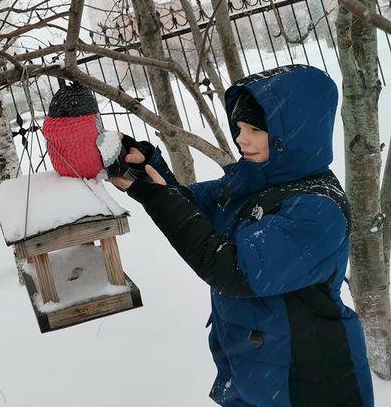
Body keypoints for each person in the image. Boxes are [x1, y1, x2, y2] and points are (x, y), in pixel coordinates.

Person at [109, 64, 374, 406]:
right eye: (238, 127)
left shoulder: (317, 209)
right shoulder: (254, 181)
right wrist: (148, 172)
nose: (240, 138)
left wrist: (160, 201)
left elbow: (233, 269)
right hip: (258, 373)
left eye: (254, 128)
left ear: (290, 133)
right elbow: (192, 210)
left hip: (307, 380)